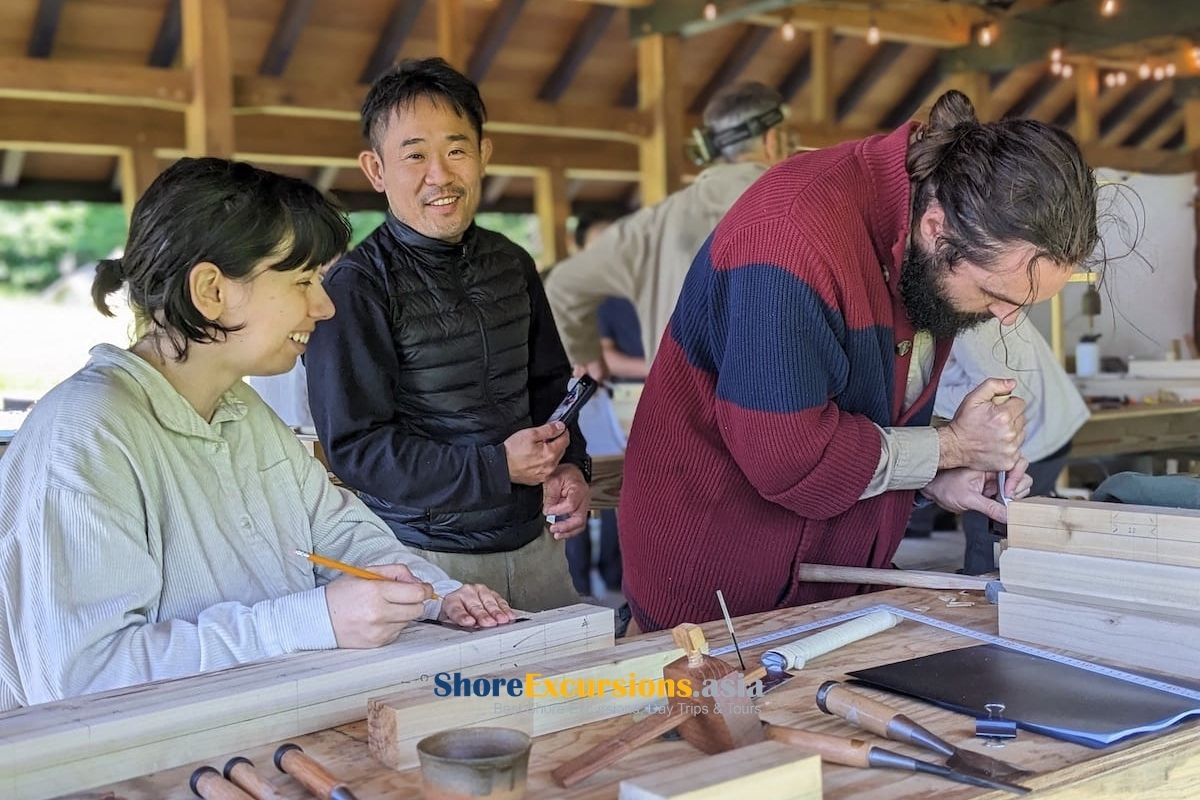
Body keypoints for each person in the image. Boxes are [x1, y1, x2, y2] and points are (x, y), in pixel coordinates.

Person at [0, 158, 515, 711]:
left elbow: (340, 538)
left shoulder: (240, 408)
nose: (324, 305)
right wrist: (315, 620)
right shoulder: (85, 435)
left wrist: (430, 593)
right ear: (211, 291)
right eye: (302, 281)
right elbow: (83, 678)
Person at [619, 90, 1099, 631]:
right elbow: (788, 457)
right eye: (997, 293)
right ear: (937, 228)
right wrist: (951, 445)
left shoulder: (922, 245)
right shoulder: (792, 237)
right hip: (720, 595)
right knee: (716, 715)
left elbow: (860, 411)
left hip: (834, 583)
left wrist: (936, 475)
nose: (1005, 318)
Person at [305, 58, 590, 612]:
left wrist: (571, 463)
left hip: (536, 547)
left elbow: (550, 387)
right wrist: (495, 467)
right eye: (414, 155)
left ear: (484, 154)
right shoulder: (356, 286)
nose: (439, 175)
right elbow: (356, 450)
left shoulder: (512, 263)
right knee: (459, 700)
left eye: (456, 150)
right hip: (427, 563)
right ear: (376, 169)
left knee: (564, 695)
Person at [544, 81, 794, 378]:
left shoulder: (654, 223)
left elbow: (562, 285)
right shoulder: (800, 207)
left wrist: (587, 359)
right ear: (772, 140)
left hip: (676, 410)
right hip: (776, 408)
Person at [935, 319, 1089, 574]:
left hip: (1035, 433)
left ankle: (987, 601)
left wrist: (925, 402)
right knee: (993, 519)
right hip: (1034, 426)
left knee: (989, 529)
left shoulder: (974, 321)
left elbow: (1000, 395)